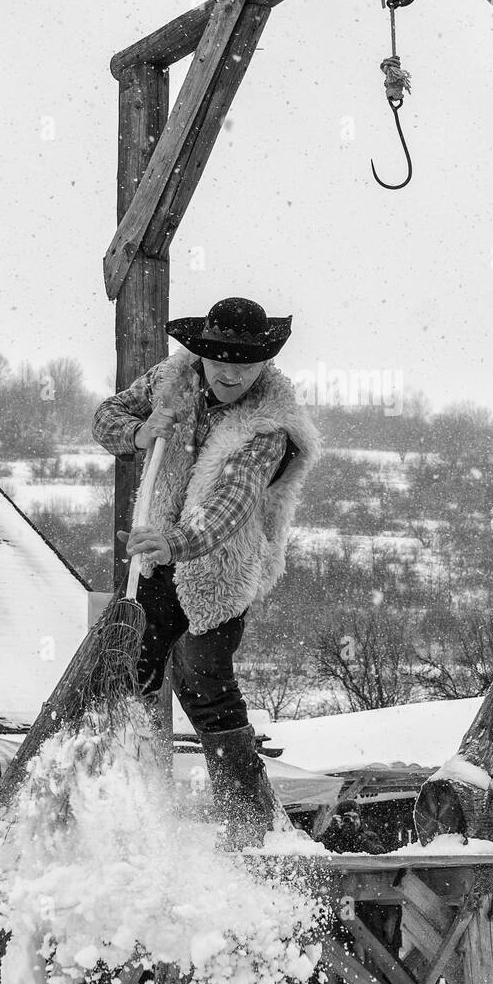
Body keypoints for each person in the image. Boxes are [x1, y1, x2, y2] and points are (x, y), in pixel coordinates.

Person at [93, 297, 321, 846]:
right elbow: (106, 416)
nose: (229, 374)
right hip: (156, 559)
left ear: (263, 365)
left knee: (202, 677)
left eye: (242, 365)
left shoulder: (271, 423)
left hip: (223, 567)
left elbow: (232, 502)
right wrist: (140, 433)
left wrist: (177, 541)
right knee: (132, 672)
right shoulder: (169, 380)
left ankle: (247, 819)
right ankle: (131, 803)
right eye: (219, 360)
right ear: (200, 353)